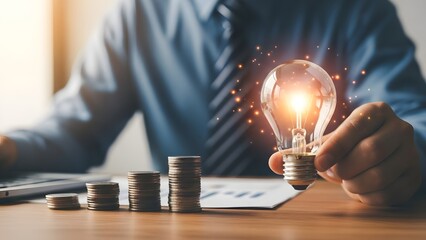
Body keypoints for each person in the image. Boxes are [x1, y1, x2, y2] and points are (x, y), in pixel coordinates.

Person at [0, 0, 425, 206]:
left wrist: (405, 152)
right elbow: (74, 127)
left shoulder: (355, 9)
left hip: (315, 222)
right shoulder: (138, 15)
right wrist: (9, 148)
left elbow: (410, 117)